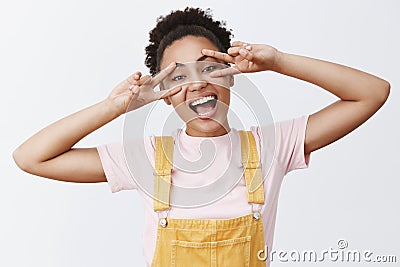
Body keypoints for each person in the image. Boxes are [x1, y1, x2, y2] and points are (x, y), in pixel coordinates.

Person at [12, 6, 390, 267]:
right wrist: (115, 107)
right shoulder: (144, 158)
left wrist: (278, 61)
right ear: (162, 96)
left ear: (231, 74)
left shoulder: (271, 145)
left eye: (210, 68)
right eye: (178, 77)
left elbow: (372, 92)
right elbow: (31, 157)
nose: (197, 84)